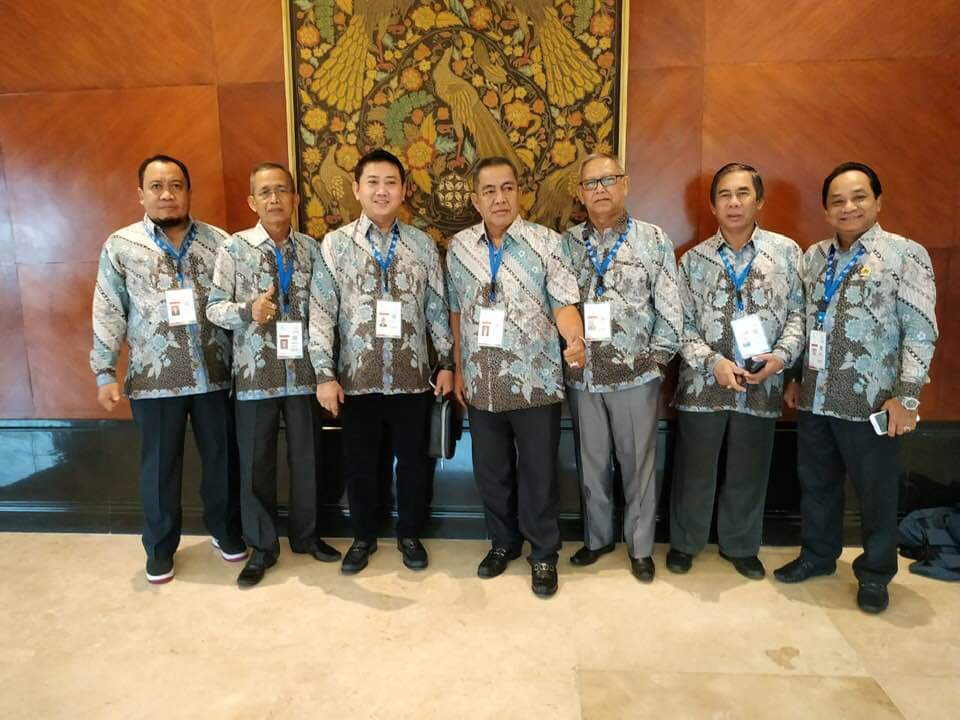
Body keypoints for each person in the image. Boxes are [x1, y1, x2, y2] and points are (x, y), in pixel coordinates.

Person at [774, 162, 938, 614]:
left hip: (873, 401)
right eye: (838, 201)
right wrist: (794, 377)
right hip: (816, 395)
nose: (848, 207)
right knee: (817, 484)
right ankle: (818, 555)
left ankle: (876, 572)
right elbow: (805, 321)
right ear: (826, 210)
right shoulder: (814, 257)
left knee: (876, 492)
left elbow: (920, 332)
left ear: (878, 201)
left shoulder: (905, 255)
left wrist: (906, 397)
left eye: (859, 197)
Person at [91, 154, 244, 584]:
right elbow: (108, 309)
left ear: (188, 192)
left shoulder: (220, 243)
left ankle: (226, 532)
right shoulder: (121, 246)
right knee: (159, 469)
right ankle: (159, 549)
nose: (167, 194)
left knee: (222, 462)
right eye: (156, 186)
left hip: (215, 373)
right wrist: (104, 371)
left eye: (176, 185)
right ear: (140, 193)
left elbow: (236, 305)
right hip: (154, 379)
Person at [446, 156, 585, 597]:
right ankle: (503, 542)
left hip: (535, 380)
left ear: (519, 192)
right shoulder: (459, 248)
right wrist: (460, 366)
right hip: (482, 382)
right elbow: (456, 311)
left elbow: (564, 304)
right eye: (489, 191)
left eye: (507, 188)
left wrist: (574, 339)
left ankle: (543, 553)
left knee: (538, 474)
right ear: (476, 200)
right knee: (492, 473)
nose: (499, 198)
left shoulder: (547, 243)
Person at [310, 149, 454, 574]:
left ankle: (410, 534)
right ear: (356, 189)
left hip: (413, 379)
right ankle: (363, 537)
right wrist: (324, 375)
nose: (381, 191)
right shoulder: (336, 245)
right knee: (361, 467)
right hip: (356, 381)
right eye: (372, 182)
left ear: (404, 190)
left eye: (391, 182)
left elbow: (436, 307)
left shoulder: (421, 245)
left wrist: (447, 362)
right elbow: (321, 312)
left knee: (414, 465)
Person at [667, 163, 805, 580]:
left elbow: (799, 315)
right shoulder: (693, 260)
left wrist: (780, 358)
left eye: (743, 193)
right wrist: (713, 362)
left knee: (749, 469)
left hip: (762, 382)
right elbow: (680, 325)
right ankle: (685, 543)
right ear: (712, 205)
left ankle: (741, 546)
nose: (733, 202)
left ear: (759, 200)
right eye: (724, 194)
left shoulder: (787, 253)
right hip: (702, 382)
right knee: (694, 471)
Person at [207, 162, 340, 588]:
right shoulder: (233, 249)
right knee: (256, 465)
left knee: (307, 460)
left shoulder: (312, 249)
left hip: (304, 373)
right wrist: (248, 311)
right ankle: (262, 547)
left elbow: (325, 310)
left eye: (282, 190)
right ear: (252, 201)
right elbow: (213, 308)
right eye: (265, 192)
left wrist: (326, 369)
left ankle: (306, 536)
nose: (274, 199)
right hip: (254, 375)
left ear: (295, 199)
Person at [562, 153, 683, 583]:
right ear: (580, 193)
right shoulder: (565, 245)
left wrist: (657, 361)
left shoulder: (653, 239)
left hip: (636, 375)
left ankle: (640, 547)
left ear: (625, 184)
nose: (600, 189)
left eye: (608, 180)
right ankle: (597, 540)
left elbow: (671, 308)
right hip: (584, 376)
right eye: (590, 183)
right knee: (591, 463)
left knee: (638, 467)